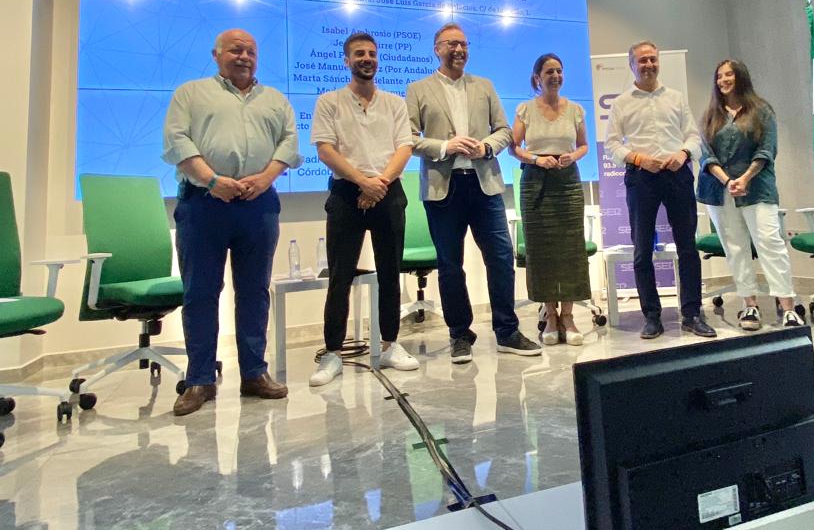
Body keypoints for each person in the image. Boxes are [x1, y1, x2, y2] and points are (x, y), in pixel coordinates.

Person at [162, 28, 303, 416]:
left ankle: (255, 374)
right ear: (216, 54)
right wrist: (212, 180)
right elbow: (177, 142)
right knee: (201, 292)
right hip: (204, 204)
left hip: (259, 205)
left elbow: (289, 145)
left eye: (251, 51)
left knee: (255, 291)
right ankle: (199, 380)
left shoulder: (274, 99)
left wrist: (265, 178)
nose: (244, 56)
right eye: (235, 50)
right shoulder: (190, 94)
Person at [406, 22, 542, 363]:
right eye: (451, 44)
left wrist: (486, 147)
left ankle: (507, 330)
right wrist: (444, 145)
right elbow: (407, 138)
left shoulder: (484, 86)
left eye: (464, 44)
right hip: (443, 188)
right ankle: (459, 334)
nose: (459, 49)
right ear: (437, 48)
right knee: (451, 265)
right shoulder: (418, 88)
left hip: (485, 184)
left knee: (500, 258)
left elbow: (506, 131)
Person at [308, 32, 421, 386]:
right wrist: (363, 183)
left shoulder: (394, 103)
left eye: (372, 53)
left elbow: (404, 147)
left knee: (390, 273)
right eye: (359, 53)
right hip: (346, 195)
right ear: (347, 61)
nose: (367, 58)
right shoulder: (329, 101)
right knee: (340, 277)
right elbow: (325, 150)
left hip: (387, 192)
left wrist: (378, 185)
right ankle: (332, 354)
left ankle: (390, 344)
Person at [605, 40, 714, 340]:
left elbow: (693, 137)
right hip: (642, 178)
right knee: (642, 250)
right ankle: (651, 316)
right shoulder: (621, 103)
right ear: (632, 66)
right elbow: (612, 145)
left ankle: (692, 313)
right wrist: (639, 159)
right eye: (642, 61)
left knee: (688, 248)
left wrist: (683, 154)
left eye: (653, 60)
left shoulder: (676, 99)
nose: (649, 65)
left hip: (677, 174)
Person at [696, 59, 805, 330]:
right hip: (720, 191)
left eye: (729, 74)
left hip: (757, 188)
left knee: (770, 244)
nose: (723, 80)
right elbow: (706, 156)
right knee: (736, 249)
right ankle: (750, 306)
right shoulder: (711, 115)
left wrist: (744, 178)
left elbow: (767, 150)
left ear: (740, 77)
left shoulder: (761, 110)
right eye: (719, 76)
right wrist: (728, 180)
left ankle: (788, 307)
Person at [511, 53, 590, 346]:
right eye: (549, 72)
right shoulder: (525, 109)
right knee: (541, 249)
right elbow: (513, 148)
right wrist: (535, 159)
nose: (555, 76)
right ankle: (550, 313)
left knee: (571, 247)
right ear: (537, 78)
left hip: (568, 180)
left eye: (559, 70)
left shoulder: (576, 110)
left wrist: (573, 156)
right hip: (535, 181)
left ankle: (568, 315)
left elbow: (583, 146)